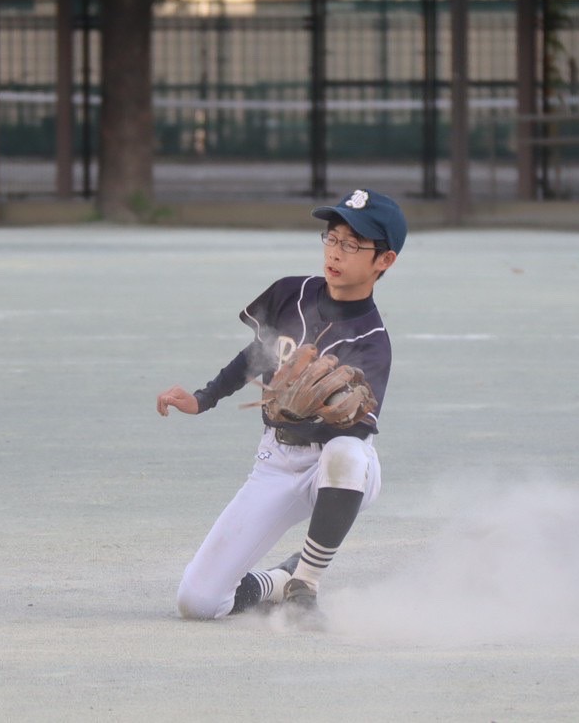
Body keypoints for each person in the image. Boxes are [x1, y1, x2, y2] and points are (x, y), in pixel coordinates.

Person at [156, 188, 406, 620]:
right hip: (275, 462)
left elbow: (358, 429)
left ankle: (306, 580)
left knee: (347, 452)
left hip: (335, 472)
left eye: (353, 243)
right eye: (332, 237)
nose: (336, 251)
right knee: (197, 603)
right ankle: (275, 581)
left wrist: (303, 414)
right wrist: (203, 398)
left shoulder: (372, 343)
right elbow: (254, 357)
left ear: (383, 261)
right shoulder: (292, 293)